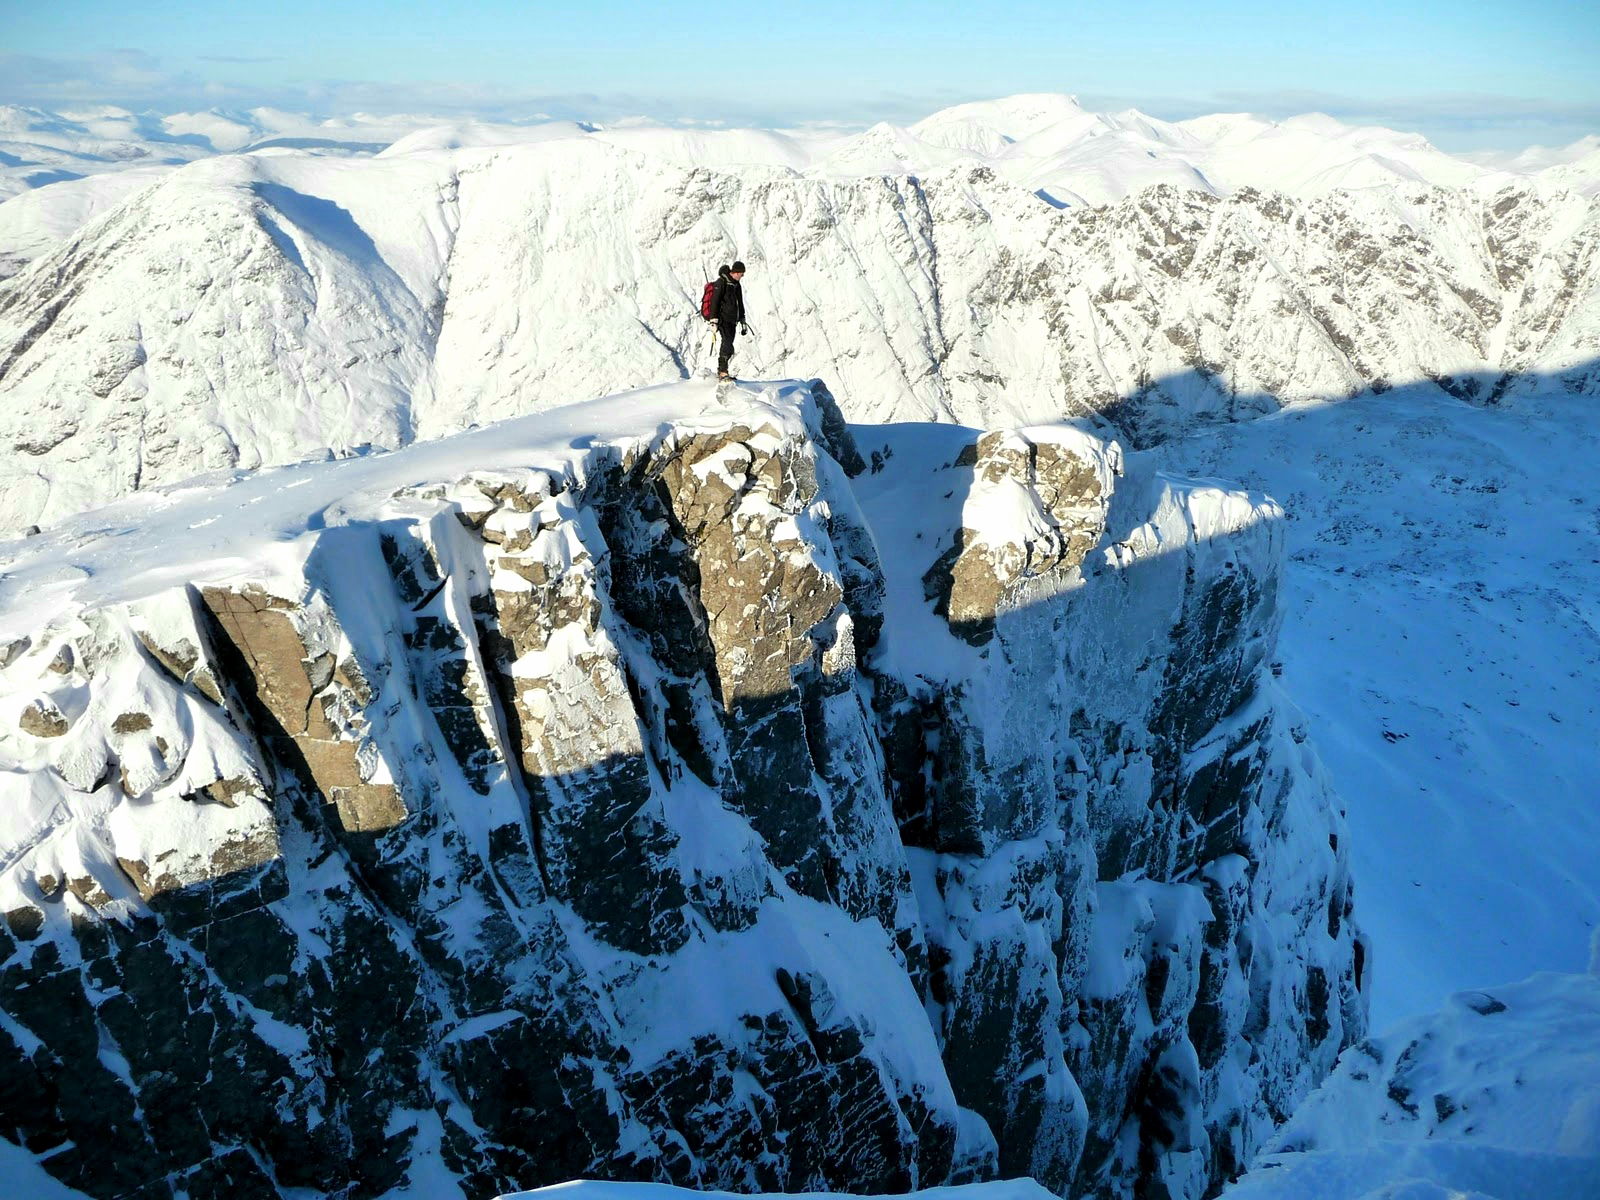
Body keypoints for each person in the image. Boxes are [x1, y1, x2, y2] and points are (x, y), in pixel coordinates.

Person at [706, 261, 749, 381]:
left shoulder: (736, 285)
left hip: (732, 320)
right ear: (736, 272)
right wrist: (713, 320)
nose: (742, 276)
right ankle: (722, 371)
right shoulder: (722, 282)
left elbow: (739, 302)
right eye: (741, 273)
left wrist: (742, 318)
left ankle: (723, 371)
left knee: (729, 345)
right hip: (722, 318)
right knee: (727, 343)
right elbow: (715, 301)